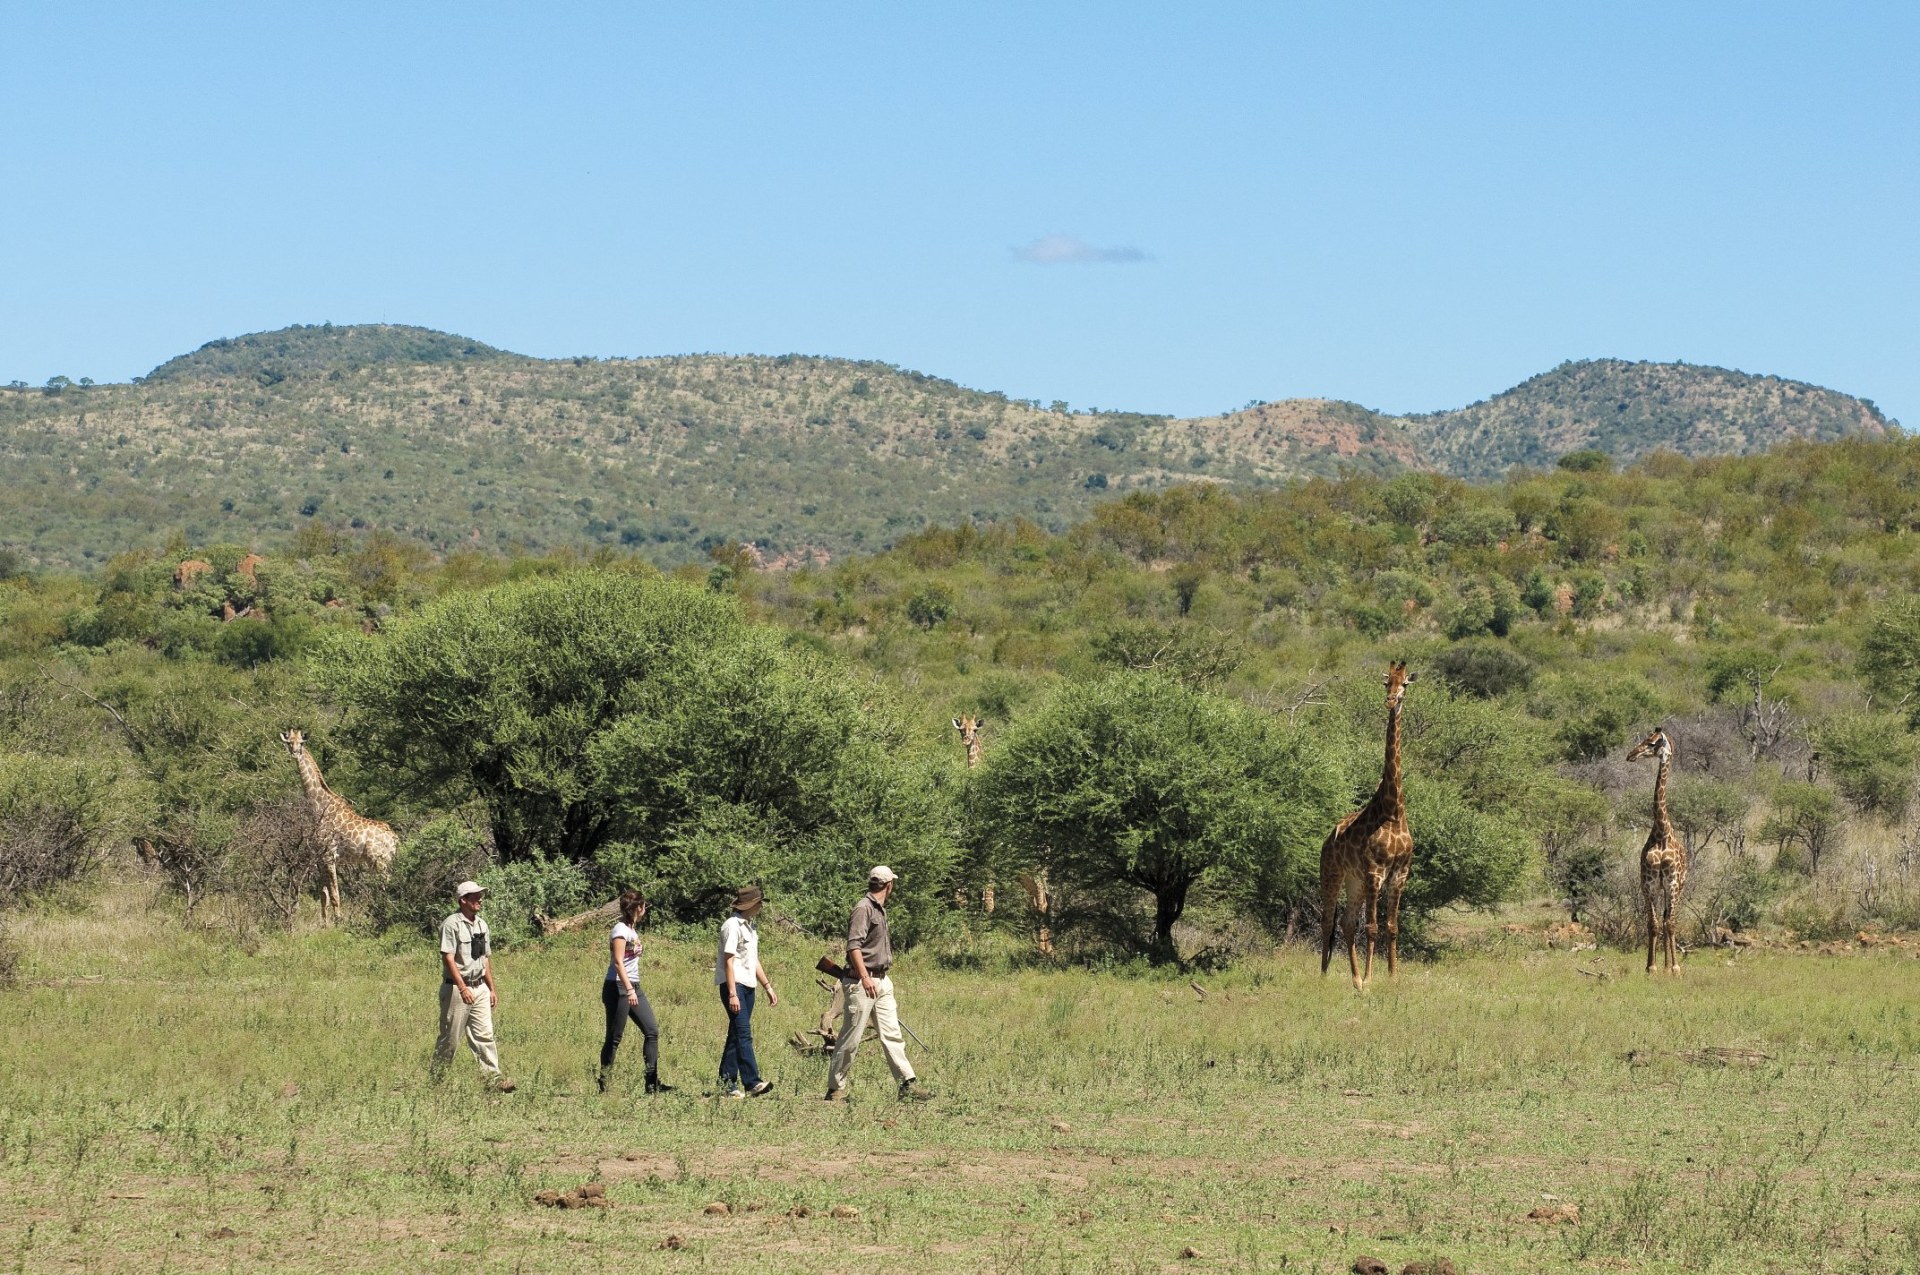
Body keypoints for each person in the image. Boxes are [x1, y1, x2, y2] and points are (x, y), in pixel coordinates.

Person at [825, 866, 931, 1102]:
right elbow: (853, 946)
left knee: (892, 1033)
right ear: (889, 885)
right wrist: (864, 977)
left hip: (882, 980)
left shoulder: (878, 909)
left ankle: (907, 1084)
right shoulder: (863, 908)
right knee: (851, 1038)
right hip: (863, 982)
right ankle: (836, 1089)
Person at [436, 880, 514, 1092]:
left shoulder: (481, 924)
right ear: (463, 900)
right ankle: (436, 1083)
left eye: (480, 895)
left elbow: (485, 959)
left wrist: (491, 988)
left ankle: (493, 1081)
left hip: (479, 988)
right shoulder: (451, 924)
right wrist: (462, 988)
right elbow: (449, 959)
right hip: (456, 989)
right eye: (474, 896)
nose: (480, 899)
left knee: (484, 1036)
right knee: (450, 1039)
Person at [599, 888, 671, 1094]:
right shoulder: (620, 930)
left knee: (652, 1031)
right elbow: (619, 963)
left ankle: (651, 1083)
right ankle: (604, 1084)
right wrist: (629, 990)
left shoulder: (631, 929)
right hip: (618, 987)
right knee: (614, 1037)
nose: (645, 909)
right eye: (644, 906)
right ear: (638, 908)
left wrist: (633, 988)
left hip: (633, 986)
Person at [715, 884, 779, 1098]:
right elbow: (729, 961)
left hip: (748, 985)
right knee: (743, 1033)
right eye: (759, 902)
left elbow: (753, 960)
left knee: (736, 1034)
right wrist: (732, 993)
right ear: (751, 904)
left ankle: (726, 1084)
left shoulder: (750, 927)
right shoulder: (732, 926)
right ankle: (753, 1082)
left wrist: (767, 986)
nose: (761, 906)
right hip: (735, 986)